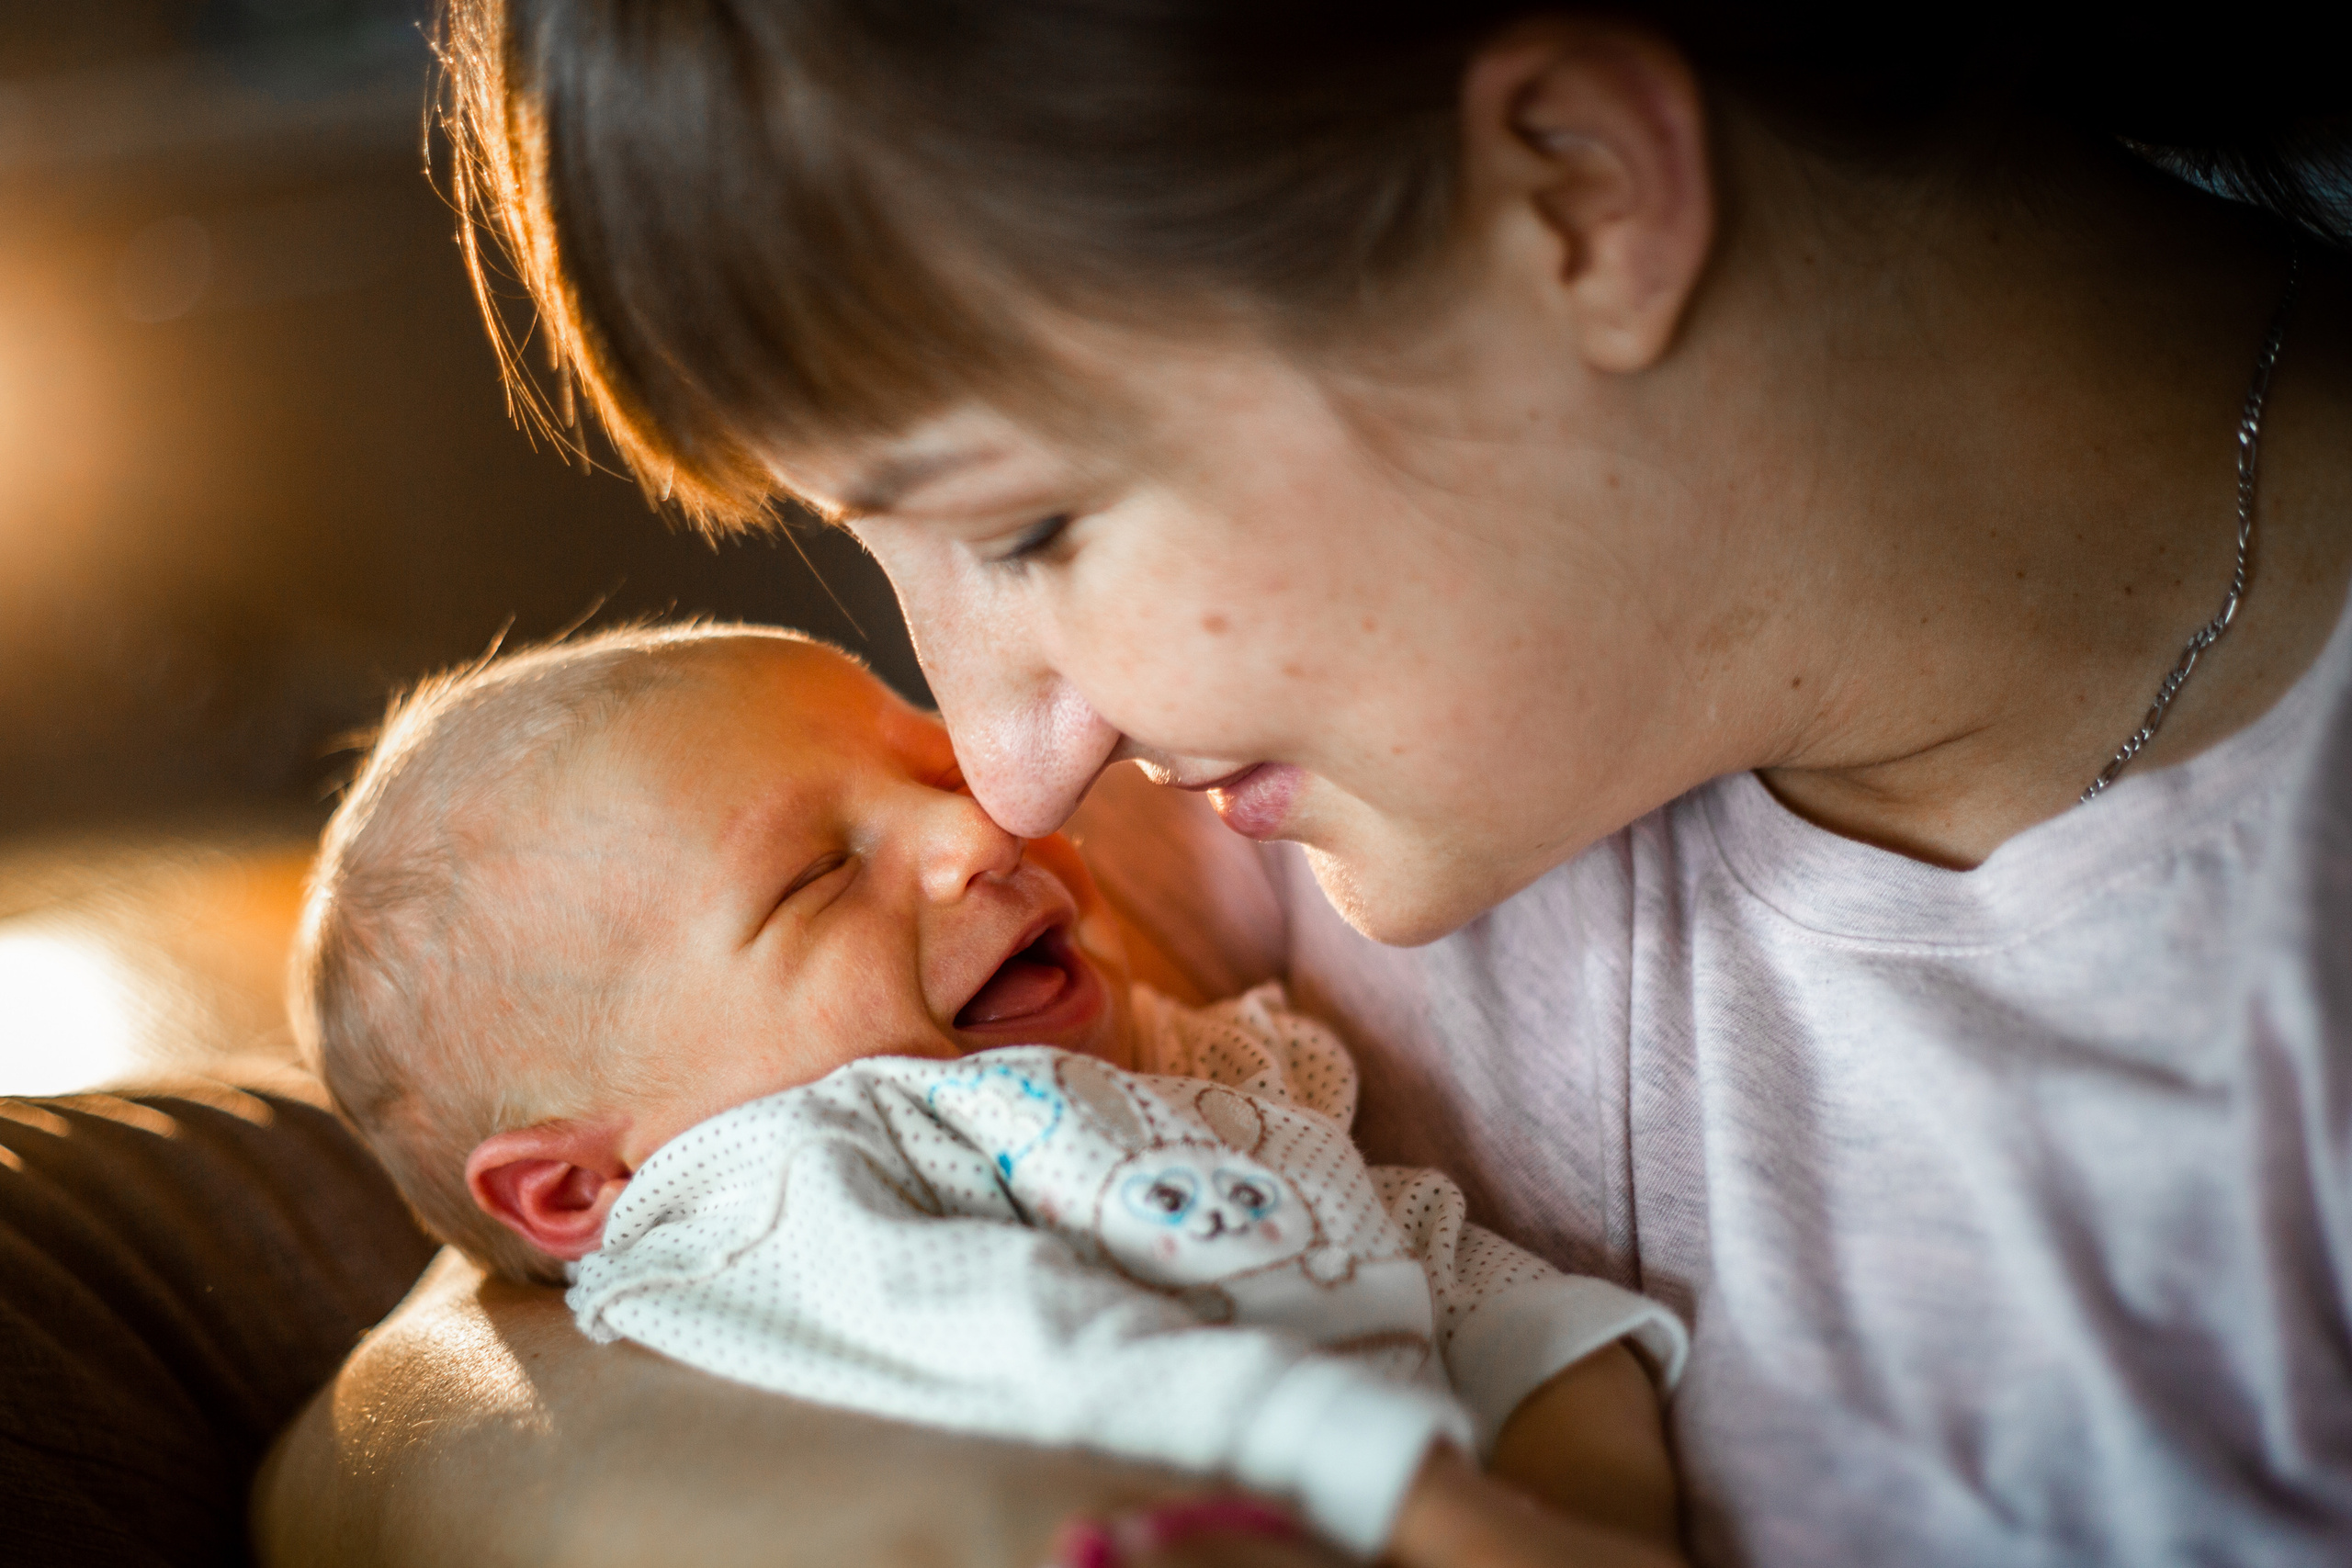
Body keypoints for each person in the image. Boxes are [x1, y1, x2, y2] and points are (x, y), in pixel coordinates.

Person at [257, 5, 2352, 1565]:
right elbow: (412, 1413)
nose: (1005, 764)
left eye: (1028, 526)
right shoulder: (1199, 847)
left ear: (1576, 192)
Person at [289, 622, 1689, 1564]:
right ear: (580, 1188)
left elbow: (1426, 1255)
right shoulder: (768, 1187)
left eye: (935, 771)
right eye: (818, 875)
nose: (983, 826)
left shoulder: (1187, 1055)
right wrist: (1429, 1497)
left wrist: (1583, 1450)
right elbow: (1037, 1345)